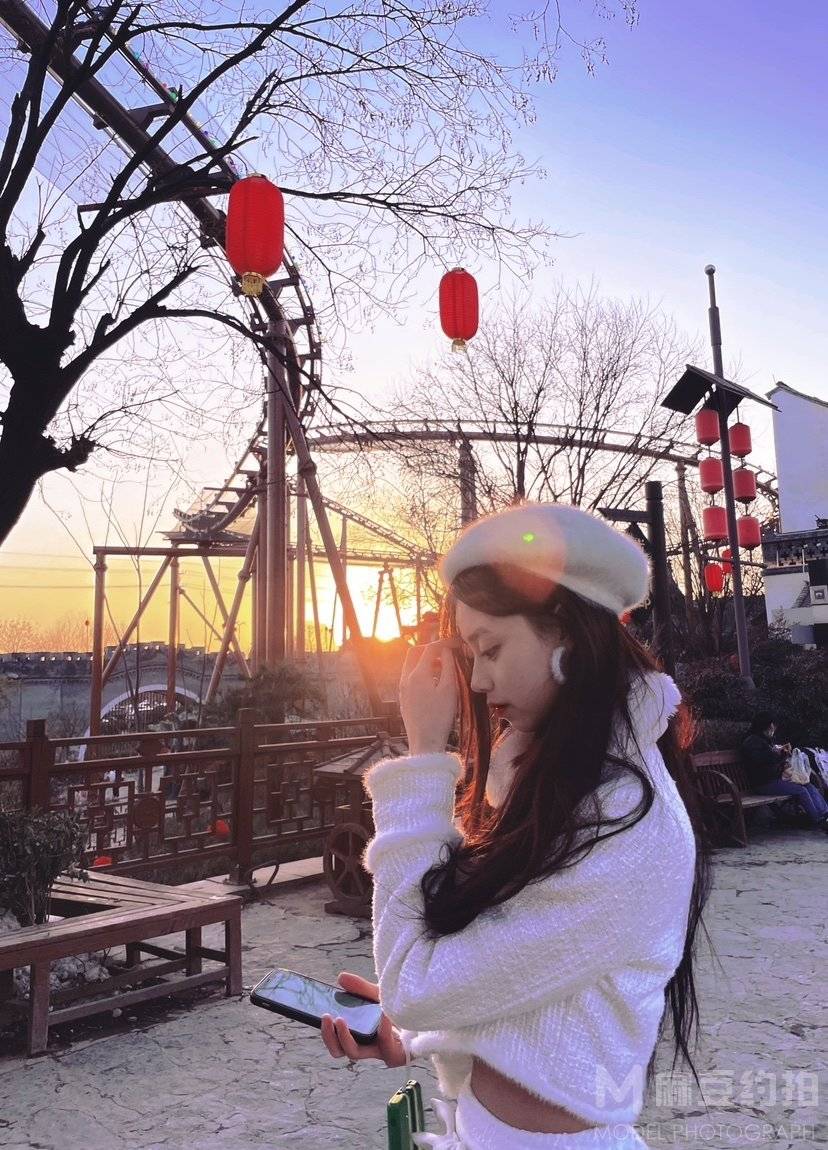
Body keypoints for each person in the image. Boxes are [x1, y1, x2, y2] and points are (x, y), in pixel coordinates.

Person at [321, 503, 710, 1149]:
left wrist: (422, 758)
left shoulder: (627, 825)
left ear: (566, 638)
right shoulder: (570, 792)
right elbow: (525, 983)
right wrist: (414, 1032)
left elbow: (414, 982)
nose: (477, 679)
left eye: (492, 648)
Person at [741, 712, 828, 830]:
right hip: (763, 783)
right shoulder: (752, 742)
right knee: (800, 790)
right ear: (769, 725)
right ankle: (818, 820)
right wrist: (778, 753)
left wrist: (781, 753)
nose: (774, 729)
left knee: (807, 784)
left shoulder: (763, 740)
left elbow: (770, 758)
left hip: (774, 779)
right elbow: (761, 760)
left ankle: (825, 813)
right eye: (773, 726)